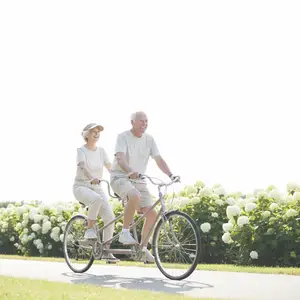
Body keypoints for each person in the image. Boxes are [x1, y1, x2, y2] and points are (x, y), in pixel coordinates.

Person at [110, 111, 179, 263]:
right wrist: (129, 171)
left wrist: (171, 175)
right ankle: (125, 231)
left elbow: (158, 159)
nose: (144, 124)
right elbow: (120, 158)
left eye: (146, 121)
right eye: (141, 121)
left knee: (153, 215)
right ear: (132, 122)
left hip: (139, 180)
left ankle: (142, 249)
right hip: (120, 177)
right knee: (134, 195)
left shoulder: (149, 139)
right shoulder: (122, 137)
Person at [73, 123, 119, 263]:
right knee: (96, 199)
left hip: (97, 187)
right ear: (86, 134)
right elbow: (82, 166)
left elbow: (109, 167)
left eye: (98, 131)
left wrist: (118, 175)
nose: (97, 133)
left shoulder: (101, 151)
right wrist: (91, 177)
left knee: (110, 217)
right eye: (94, 131)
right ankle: (89, 230)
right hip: (81, 186)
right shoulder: (81, 150)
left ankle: (106, 251)